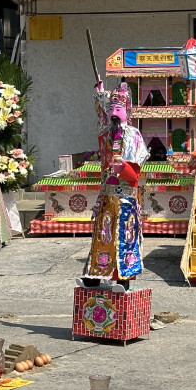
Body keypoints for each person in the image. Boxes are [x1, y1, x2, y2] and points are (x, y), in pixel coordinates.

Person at [81, 80, 149, 289]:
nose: (114, 113)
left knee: (125, 238)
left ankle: (123, 278)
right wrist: (100, 94)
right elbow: (101, 118)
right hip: (108, 195)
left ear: (127, 111)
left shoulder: (134, 134)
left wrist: (123, 168)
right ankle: (94, 275)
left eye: (118, 109)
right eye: (112, 109)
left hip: (126, 195)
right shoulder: (107, 134)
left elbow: (136, 169)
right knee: (102, 235)